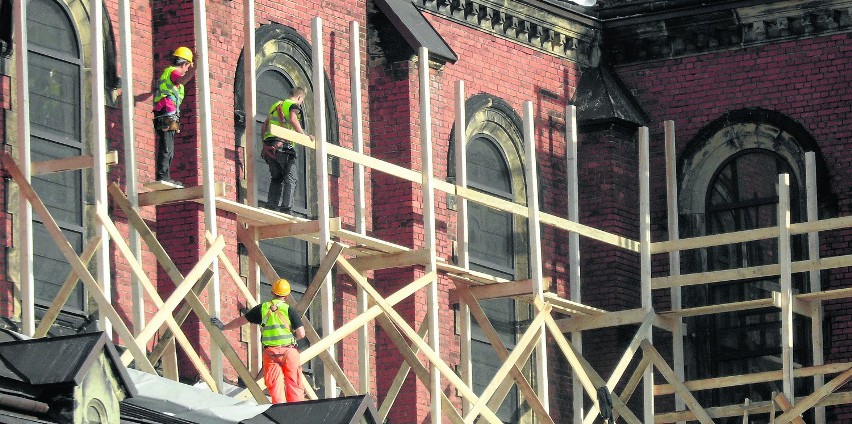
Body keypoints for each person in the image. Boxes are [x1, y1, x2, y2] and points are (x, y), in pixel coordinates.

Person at [210, 278, 305, 403]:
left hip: (271, 354)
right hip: (289, 352)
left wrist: (223, 327)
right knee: (294, 383)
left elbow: (240, 321)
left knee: (274, 385)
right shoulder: (289, 310)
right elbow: (301, 334)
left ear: (272, 292)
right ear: (286, 296)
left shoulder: (262, 309)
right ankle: (297, 410)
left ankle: (280, 411)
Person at [259, 87, 313, 214]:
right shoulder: (293, 105)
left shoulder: (275, 105)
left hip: (269, 147)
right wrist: (304, 136)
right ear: (299, 97)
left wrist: (264, 145)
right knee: (291, 178)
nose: (300, 104)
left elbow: (264, 127)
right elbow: (294, 120)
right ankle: (286, 209)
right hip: (283, 147)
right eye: (301, 101)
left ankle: (271, 206)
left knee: (276, 177)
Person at [152, 46, 196, 185]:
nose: (187, 70)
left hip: (165, 113)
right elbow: (182, 80)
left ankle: (164, 175)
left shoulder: (167, 74)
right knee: (167, 147)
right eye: (188, 67)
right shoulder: (174, 73)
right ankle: (163, 176)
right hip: (167, 114)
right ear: (184, 64)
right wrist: (195, 69)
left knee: (168, 146)